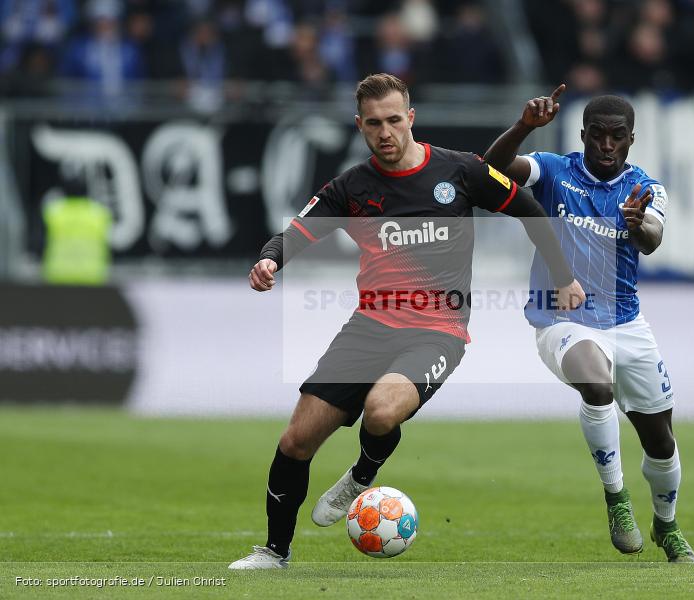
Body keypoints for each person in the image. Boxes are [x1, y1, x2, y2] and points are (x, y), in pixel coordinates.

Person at [229, 73, 585, 569]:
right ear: (360, 126)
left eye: (394, 120)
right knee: (295, 440)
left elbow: (530, 211)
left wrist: (565, 278)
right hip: (369, 326)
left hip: (438, 330)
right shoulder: (352, 188)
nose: (385, 132)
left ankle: (361, 473)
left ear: (410, 118)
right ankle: (273, 552)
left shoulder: (460, 171)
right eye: (373, 124)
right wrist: (271, 260)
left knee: (380, 411)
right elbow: (299, 230)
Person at [483, 85, 694, 563]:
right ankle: (617, 500)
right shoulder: (555, 170)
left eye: (616, 136)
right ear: (582, 134)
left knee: (660, 441)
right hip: (562, 320)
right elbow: (491, 168)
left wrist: (637, 223)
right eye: (597, 135)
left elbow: (652, 240)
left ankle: (666, 524)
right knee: (595, 384)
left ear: (631, 139)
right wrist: (523, 127)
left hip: (627, 323)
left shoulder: (644, 188)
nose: (606, 145)